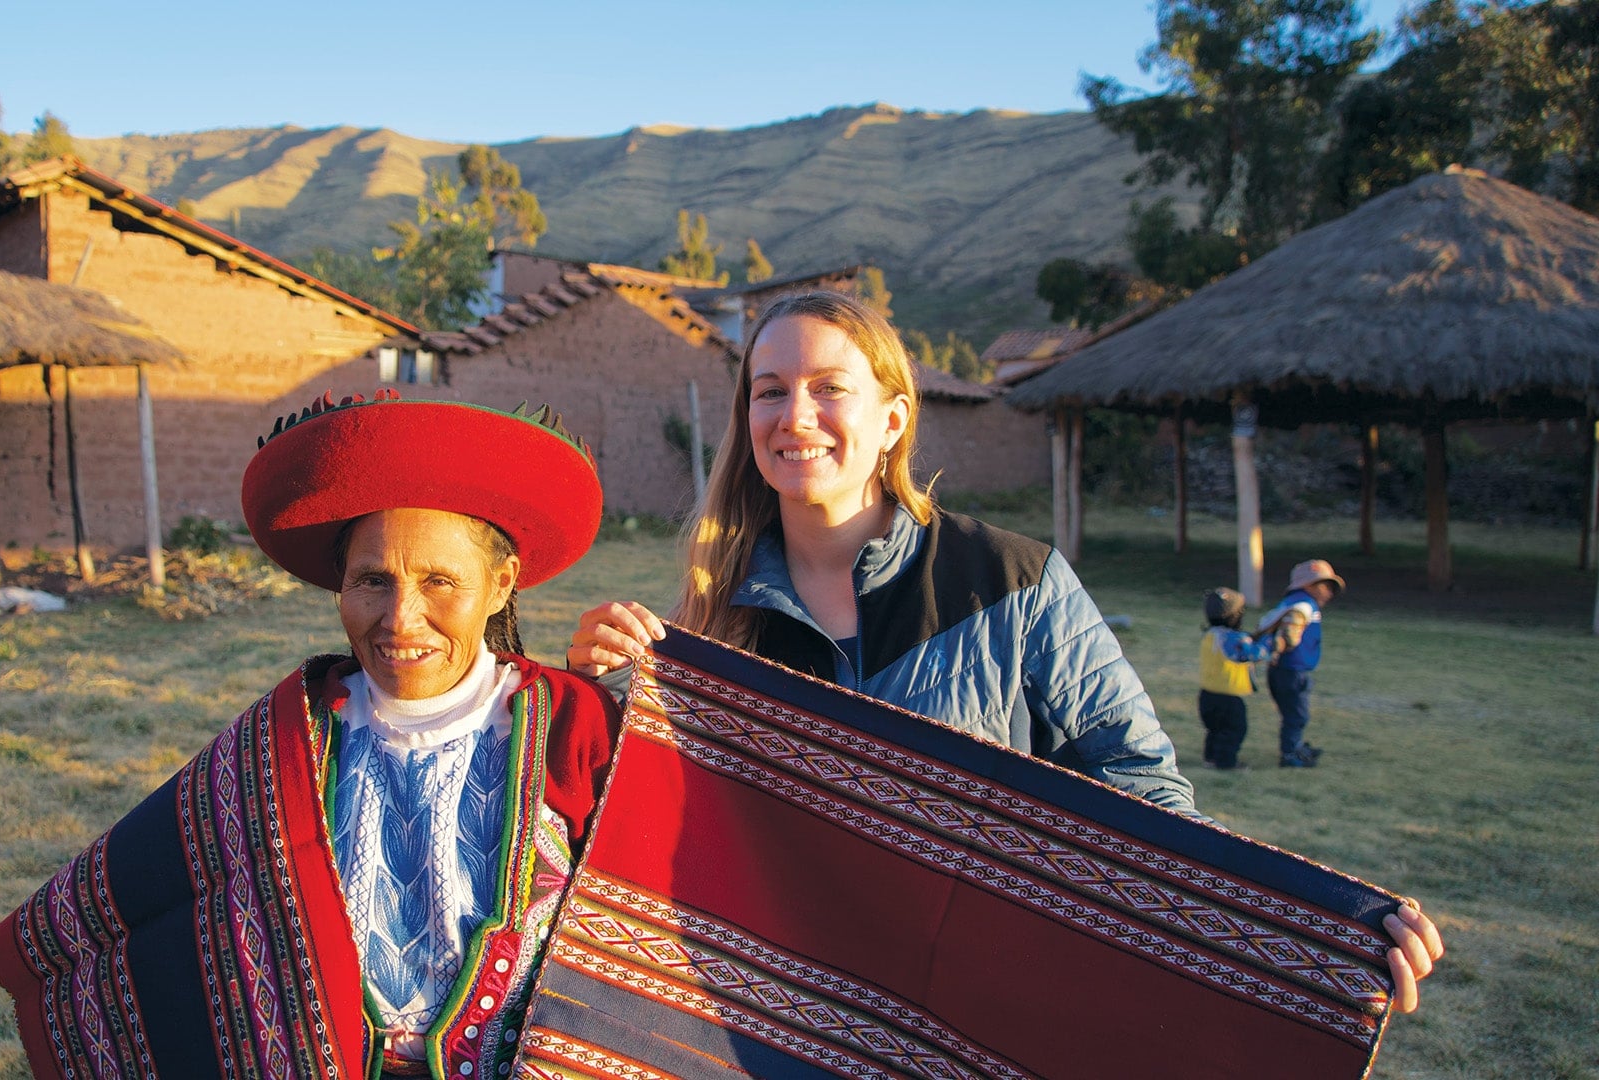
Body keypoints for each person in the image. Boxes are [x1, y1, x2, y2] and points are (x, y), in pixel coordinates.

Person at [567, 291, 1443, 1011]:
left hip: (969, 1010)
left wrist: (1324, 930)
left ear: (893, 419)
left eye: (830, 387)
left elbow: (1141, 798)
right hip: (777, 1017)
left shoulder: (1016, 583)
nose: (796, 416)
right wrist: (598, 698)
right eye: (769, 390)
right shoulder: (710, 624)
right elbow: (641, 830)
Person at [0, 393, 620, 1080]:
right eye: (372, 581)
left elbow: (656, 929)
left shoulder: (576, 725)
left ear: (500, 584)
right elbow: (148, 903)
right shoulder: (287, 737)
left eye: (440, 581)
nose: (401, 618)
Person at [1259, 558, 1343, 768]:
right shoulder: (1303, 605)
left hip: (1287, 670)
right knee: (1296, 714)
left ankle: (1295, 745)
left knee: (1294, 713)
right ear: (1308, 585)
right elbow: (1290, 630)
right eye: (1325, 586)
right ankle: (1290, 754)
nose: (1329, 592)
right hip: (1290, 670)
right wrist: (1286, 641)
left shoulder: (1296, 602)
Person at [1198, 586, 1282, 770]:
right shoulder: (1234, 638)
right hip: (1228, 697)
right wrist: (1271, 643)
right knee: (1234, 730)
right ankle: (1225, 763)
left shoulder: (1209, 635)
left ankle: (1211, 758)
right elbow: (1252, 654)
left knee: (1215, 729)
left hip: (1207, 695)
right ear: (1234, 615)